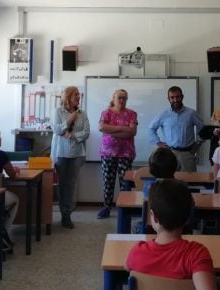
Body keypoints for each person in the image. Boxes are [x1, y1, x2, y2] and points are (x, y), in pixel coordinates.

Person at [50, 86, 90, 229]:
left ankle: (67, 214)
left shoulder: (83, 113)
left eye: (79, 95)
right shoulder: (57, 111)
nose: (78, 97)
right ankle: (64, 214)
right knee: (62, 184)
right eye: (75, 95)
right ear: (68, 97)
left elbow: (86, 132)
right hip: (61, 153)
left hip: (77, 154)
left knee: (71, 184)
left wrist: (72, 136)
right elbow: (56, 129)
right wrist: (69, 120)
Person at [97, 88, 138, 219]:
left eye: (124, 98)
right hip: (108, 154)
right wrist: (122, 128)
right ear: (113, 99)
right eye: (119, 97)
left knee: (125, 182)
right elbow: (102, 127)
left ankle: (125, 207)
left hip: (126, 154)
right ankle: (106, 207)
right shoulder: (106, 113)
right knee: (108, 181)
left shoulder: (132, 114)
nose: (121, 100)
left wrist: (111, 130)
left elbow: (132, 132)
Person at [148, 86, 204, 172]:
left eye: (178, 97)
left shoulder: (191, 113)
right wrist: (158, 143)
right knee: (169, 181)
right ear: (168, 99)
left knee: (187, 182)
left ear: (182, 97)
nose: (175, 100)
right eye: (172, 97)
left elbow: (203, 129)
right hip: (169, 154)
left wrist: (198, 144)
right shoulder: (163, 114)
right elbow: (151, 128)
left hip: (187, 154)